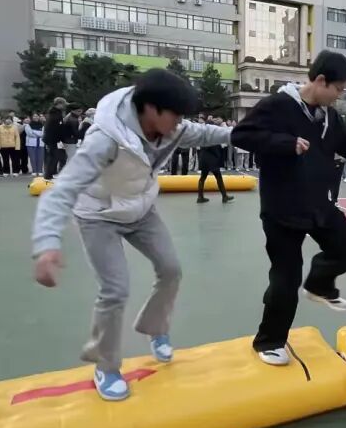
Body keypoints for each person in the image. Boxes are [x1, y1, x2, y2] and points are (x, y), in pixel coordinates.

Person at [31, 69, 232, 401]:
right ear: (151, 109)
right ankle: (106, 366)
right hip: (98, 215)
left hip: (140, 210)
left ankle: (156, 329)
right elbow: (63, 189)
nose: (180, 122)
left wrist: (249, 134)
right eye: (176, 115)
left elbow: (206, 133)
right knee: (115, 290)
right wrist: (47, 244)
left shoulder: (171, 128)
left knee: (171, 269)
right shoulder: (105, 139)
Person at [232, 51, 346, 366]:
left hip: (317, 203)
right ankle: (269, 341)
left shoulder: (329, 117)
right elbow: (241, 135)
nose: (340, 95)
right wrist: (285, 143)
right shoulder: (278, 106)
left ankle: (319, 283)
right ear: (320, 80)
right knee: (286, 278)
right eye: (338, 89)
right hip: (282, 209)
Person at [196, 119, 234, 204]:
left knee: (202, 178)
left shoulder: (202, 135)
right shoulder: (211, 136)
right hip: (212, 160)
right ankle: (224, 196)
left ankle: (200, 197)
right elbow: (215, 148)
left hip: (204, 159)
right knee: (218, 178)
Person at [42, 107, 65, 179]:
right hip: (54, 141)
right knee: (54, 158)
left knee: (52, 158)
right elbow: (58, 129)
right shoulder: (57, 116)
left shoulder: (51, 116)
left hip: (50, 141)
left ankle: (49, 174)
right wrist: (61, 139)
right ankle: (49, 174)